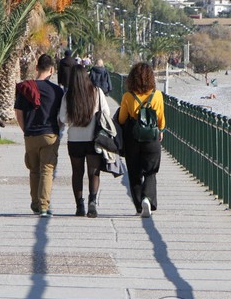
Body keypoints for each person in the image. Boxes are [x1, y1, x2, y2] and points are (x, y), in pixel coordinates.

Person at [15, 54, 64, 217]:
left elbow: (18, 112)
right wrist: (59, 127)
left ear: (36, 68)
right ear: (52, 70)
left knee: (34, 170)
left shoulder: (24, 87)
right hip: (49, 133)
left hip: (30, 134)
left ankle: (35, 203)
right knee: (47, 170)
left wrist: (25, 130)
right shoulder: (57, 91)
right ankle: (43, 206)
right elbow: (62, 115)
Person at [59, 66, 110, 217]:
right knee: (94, 172)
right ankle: (92, 202)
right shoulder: (97, 92)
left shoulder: (68, 96)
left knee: (77, 172)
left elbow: (63, 118)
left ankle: (79, 205)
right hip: (93, 138)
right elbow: (106, 113)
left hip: (75, 140)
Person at [118, 62, 166, 217]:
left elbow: (121, 118)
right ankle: (148, 198)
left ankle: (139, 205)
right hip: (152, 137)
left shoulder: (128, 96)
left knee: (134, 172)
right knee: (151, 171)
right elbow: (161, 120)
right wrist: (161, 130)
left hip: (133, 137)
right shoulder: (157, 95)